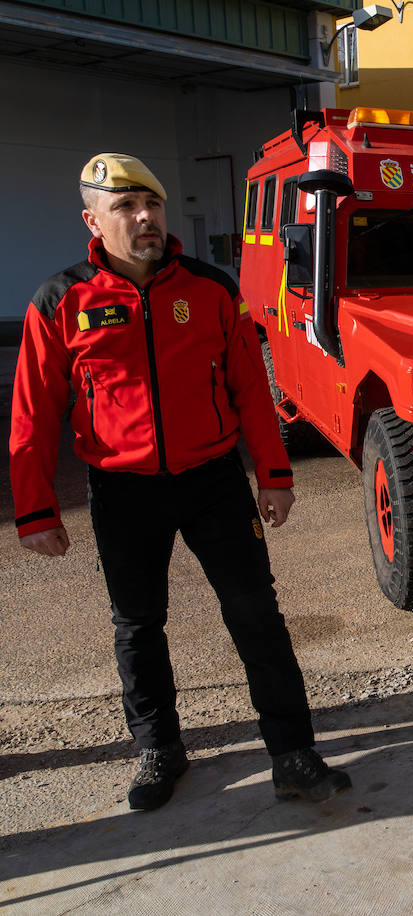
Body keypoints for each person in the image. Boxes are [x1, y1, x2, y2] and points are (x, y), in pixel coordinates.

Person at [9, 153, 351, 811]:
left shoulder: (209, 288)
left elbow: (252, 388)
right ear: (93, 220)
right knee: (138, 625)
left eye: (152, 206)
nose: (143, 219)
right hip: (122, 489)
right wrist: (34, 510)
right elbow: (33, 410)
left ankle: (292, 753)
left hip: (213, 481)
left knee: (256, 614)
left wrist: (274, 474)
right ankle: (159, 748)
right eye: (125, 208)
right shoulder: (62, 301)